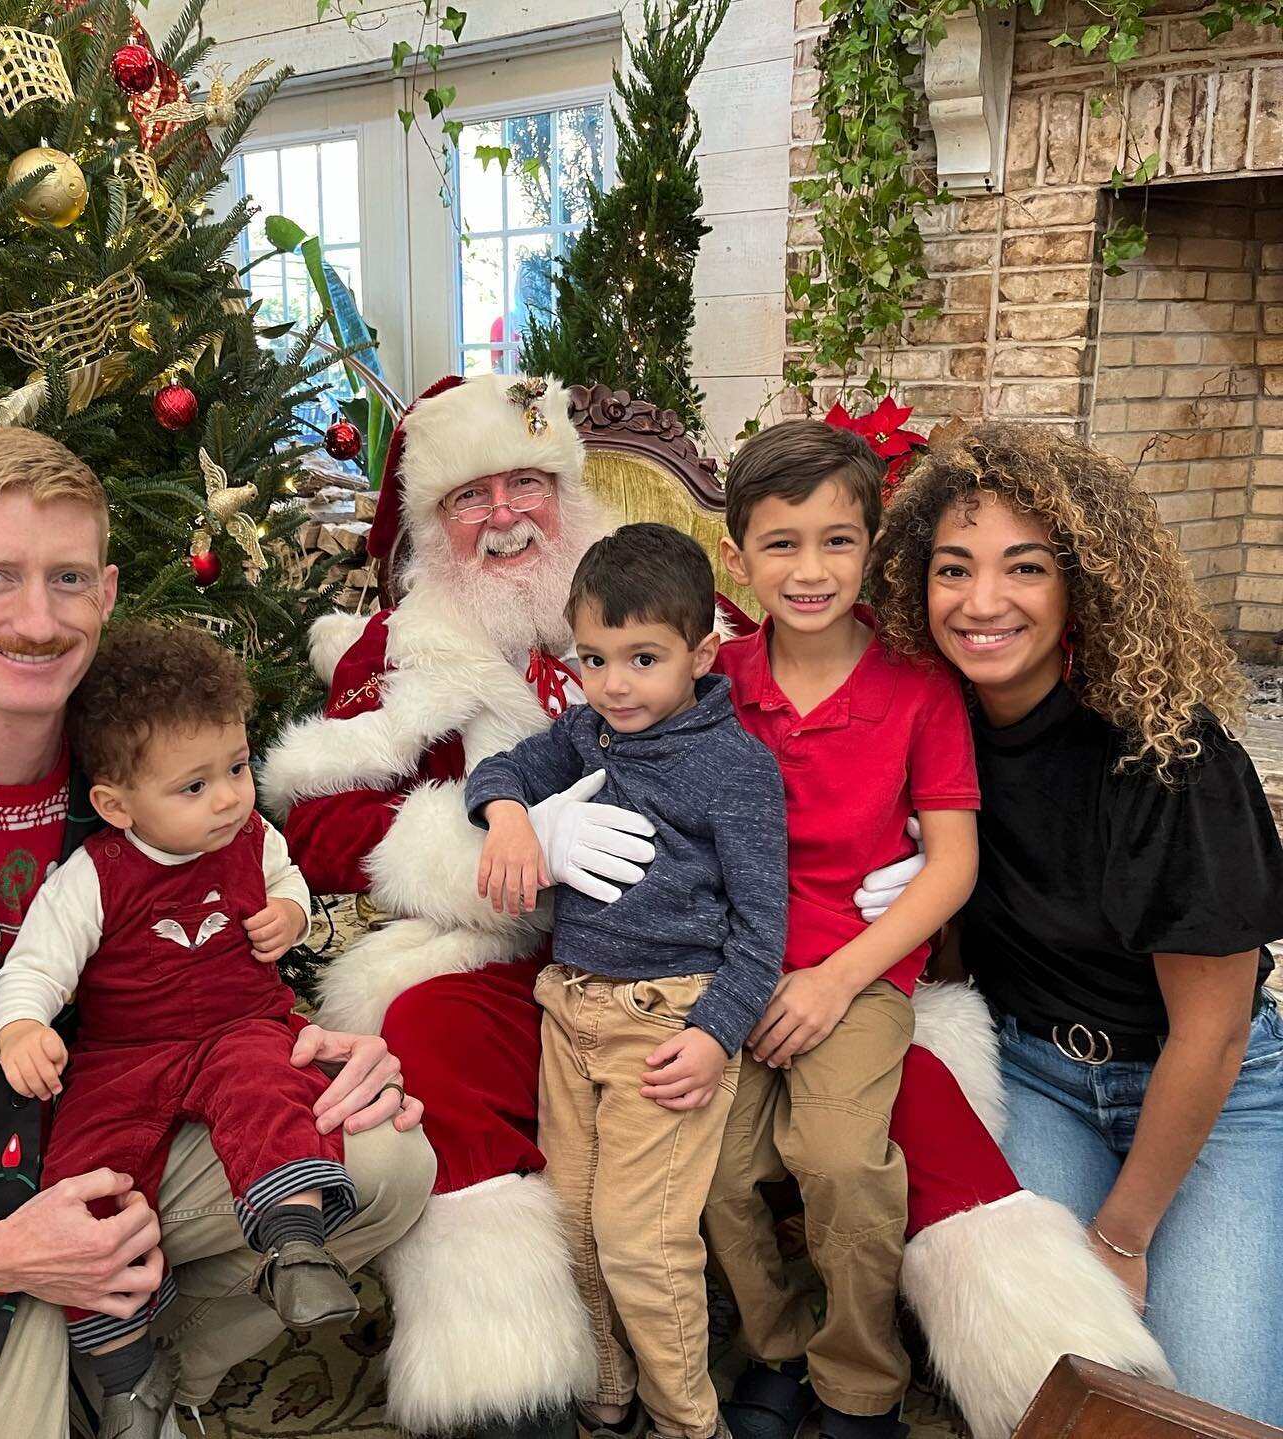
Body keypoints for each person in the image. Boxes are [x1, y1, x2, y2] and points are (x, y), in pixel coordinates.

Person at [258, 373, 1171, 1439]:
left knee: (901, 1085)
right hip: (510, 956)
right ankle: (504, 1369)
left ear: (572, 489)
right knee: (425, 1031)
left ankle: (1047, 1373)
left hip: (723, 954)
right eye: (470, 496)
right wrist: (500, 839)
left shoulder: (694, 624)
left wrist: (903, 841)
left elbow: (847, 722)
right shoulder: (395, 657)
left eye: (527, 484)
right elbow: (317, 826)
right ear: (429, 520)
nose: (504, 516)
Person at [0, 428, 434, 1439]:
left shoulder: (153, 779)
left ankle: (142, 1366)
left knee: (384, 1157)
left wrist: (303, 1036)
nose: (38, 618)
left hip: (114, 1139)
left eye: (66, 577)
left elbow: (218, 940)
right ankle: (78, 1370)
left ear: (107, 592)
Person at [866, 421, 1283, 1426]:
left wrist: (1123, 1238)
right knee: (1049, 1389)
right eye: (953, 568)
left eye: (1026, 567)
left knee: (1210, 1404)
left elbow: (1215, 1028)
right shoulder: (929, 724)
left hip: (1207, 1086)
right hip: (1034, 1073)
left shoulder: (1169, 750)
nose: (983, 601)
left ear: (1080, 586)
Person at [0, 622, 383, 1436]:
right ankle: (125, 1373)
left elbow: (289, 883)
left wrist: (286, 913)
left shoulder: (251, 835)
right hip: (125, 1054)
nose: (230, 797)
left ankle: (295, 1239)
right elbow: (35, 965)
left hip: (240, 1022)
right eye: (194, 785)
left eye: (237, 768)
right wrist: (22, 1026)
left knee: (272, 1092)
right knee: (88, 1180)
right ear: (115, 802)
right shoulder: (94, 876)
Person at [466, 523, 788, 1439]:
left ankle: (690, 1421)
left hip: (669, 1022)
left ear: (702, 650)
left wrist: (715, 1032)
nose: (614, 683)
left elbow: (763, 932)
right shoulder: (585, 732)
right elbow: (499, 769)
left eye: (643, 658)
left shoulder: (735, 769)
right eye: (593, 658)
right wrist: (512, 821)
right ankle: (608, 1392)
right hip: (569, 1011)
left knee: (638, 1240)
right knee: (568, 1221)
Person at [702, 421, 979, 1439]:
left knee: (839, 1160)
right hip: (730, 964)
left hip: (856, 968)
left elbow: (952, 860)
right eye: (781, 542)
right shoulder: (714, 682)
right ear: (738, 555)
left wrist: (834, 979)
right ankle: (774, 1345)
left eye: (836, 540)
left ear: (871, 547)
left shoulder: (918, 684)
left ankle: (859, 1375)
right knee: (717, 1164)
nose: (809, 569)